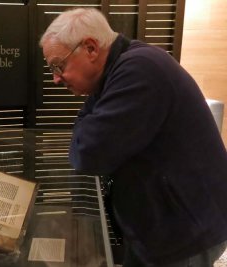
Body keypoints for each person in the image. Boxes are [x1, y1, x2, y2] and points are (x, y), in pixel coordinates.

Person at [39, 7, 227, 267]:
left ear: (91, 48)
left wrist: (85, 120)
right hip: (167, 222)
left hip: (184, 230)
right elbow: (87, 134)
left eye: (58, 66)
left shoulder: (139, 70)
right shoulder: (123, 68)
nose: (56, 79)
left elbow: (87, 153)